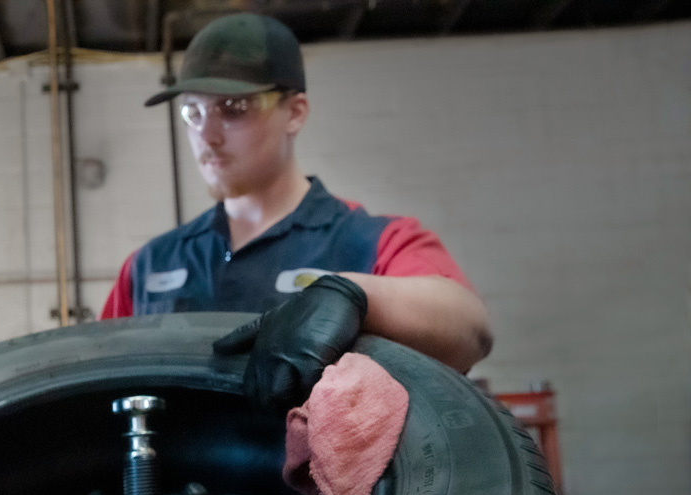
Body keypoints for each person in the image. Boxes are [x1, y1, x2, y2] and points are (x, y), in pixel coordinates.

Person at [101, 13, 492, 413]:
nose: (208, 135)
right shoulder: (148, 267)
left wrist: (353, 296)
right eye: (193, 113)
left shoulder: (369, 240)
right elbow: (93, 378)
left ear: (295, 112)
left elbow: (470, 327)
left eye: (234, 108)